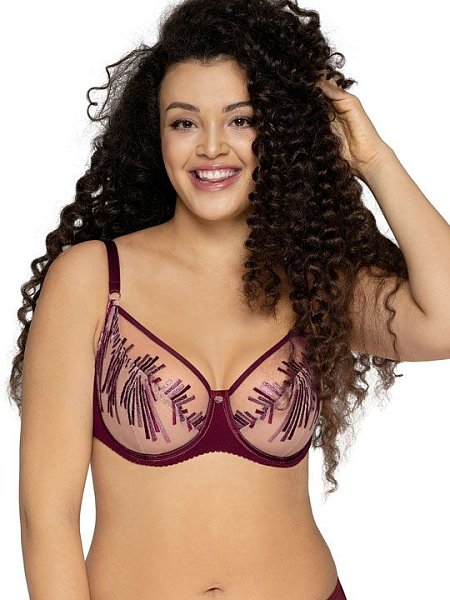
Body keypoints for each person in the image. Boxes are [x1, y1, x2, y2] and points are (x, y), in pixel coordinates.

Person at [8, 0, 450, 598]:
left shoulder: (314, 279)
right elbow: (46, 518)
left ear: (280, 133)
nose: (212, 148)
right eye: (184, 123)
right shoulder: (92, 280)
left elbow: (445, 322)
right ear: (155, 135)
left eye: (240, 120)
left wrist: (374, 160)